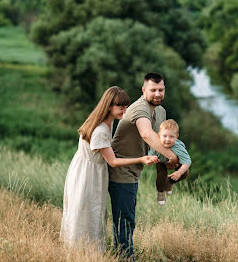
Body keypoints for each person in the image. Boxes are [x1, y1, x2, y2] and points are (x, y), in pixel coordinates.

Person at [60, 86, 159, 252]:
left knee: (89, 212)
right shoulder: (99, 131)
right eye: (121, 107)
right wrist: (141, 158)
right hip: (87, 175)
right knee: (86, 213)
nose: (125, 110)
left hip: (87, 170)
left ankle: (83, 251)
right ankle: (82, 252)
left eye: (126, 107)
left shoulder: (107, 123)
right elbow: (112, 161)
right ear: (109, 107)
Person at [109, 72, 179, 259]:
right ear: (143, 90)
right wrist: (171, 156)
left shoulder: (161, 111)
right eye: (153, 90)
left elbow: (162, 140)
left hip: (134, 170)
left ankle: (121, 255)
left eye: (161, 90)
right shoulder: (140, 108)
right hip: (120, 168)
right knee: (125, 220)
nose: (158, 94)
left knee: (127, 219)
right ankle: (125, 258)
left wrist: (175, 159)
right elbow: (147, 134)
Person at [148, 119, 191, 206]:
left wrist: (179, 172)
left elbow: (187, 161)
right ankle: (160, 193)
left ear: (176, 137)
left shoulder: (178, 147)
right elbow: (150, 154)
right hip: (161, 161)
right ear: (159, 135)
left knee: (184, 173)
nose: (167, 139)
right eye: (164, 136)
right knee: (161, 175)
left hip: (177, 162)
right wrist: (152, 158)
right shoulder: (157, 144)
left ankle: (170, 182)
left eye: (171, 137)